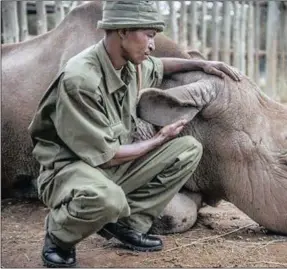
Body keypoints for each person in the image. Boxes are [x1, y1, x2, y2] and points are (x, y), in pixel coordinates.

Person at [28, 1, 241, 267]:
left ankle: (129, 224)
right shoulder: (82, 79)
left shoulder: (129, 65)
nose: (152, 44)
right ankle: (58, 235)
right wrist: (160, 138)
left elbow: (159, 66)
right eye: (149, 35)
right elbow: (108, 157)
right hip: (68, 170)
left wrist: (203, 64)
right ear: (123, 31)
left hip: (108, 165)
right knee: (108, 199)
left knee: (187, 149)